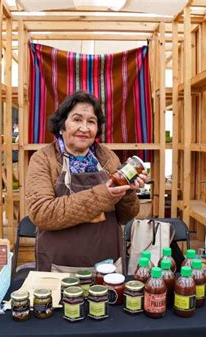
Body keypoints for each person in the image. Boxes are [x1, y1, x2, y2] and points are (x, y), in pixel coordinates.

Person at [25, 91, 148, 273]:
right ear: (61, 126)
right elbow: (42, 213)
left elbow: (125, 216)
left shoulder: (108, 157)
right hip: (58, 267)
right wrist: (103, 195)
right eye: (77, 119)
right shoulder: (43, 159)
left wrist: (128, 191)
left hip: (107, 266)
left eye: (91, 121)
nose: (84, 128)